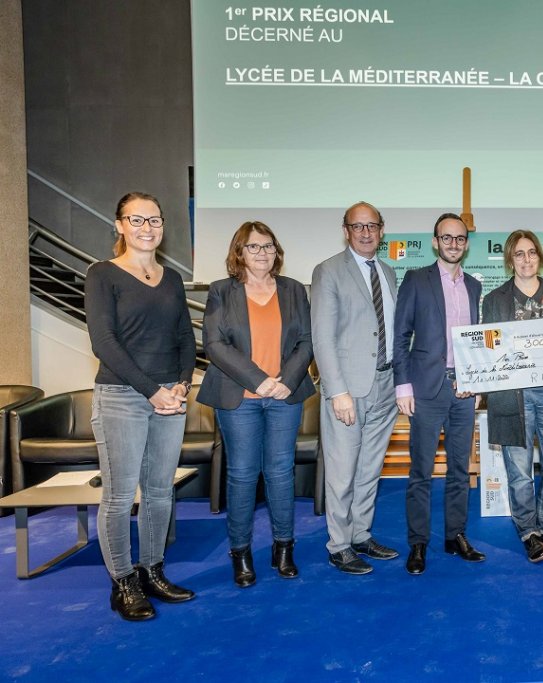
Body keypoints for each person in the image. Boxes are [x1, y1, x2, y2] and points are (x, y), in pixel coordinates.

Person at [85, 192, 196, 621]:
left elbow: (186, 336)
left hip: (171, 397)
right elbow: (104, 343)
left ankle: (152, 571)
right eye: (137, 219)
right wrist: (153, 390)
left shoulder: (170, 279)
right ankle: (123, 582)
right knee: (118, 497)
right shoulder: (102, 274)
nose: (147, 227)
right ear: (119, 225)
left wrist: (182, 385)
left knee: (159, 491)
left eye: (154, 220)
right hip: (122, 397)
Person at [198, 221, 315, 587]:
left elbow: (308, 341)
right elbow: (215, 344)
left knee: (281, 473)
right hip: (239, 396)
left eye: (268, 246)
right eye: (253, 247)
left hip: (285, 396)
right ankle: (241, 552)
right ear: (239, 253)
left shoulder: (294, 290)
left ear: (276, 252)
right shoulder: (221, 291)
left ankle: (284, 548)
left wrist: (286, 381)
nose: (262, 253)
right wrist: (259, 380)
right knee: (243, 474)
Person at [311, 202, 401, 575]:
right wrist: (337, 391)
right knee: (343, 469)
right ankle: (339, 544)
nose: (366, 233)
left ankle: (361, 535)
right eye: (358, 226)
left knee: (369, 468)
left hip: (385, 383)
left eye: (372, 226)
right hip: (348, 388)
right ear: (346, 230)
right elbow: (323, 337)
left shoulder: (389, 272)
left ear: (381, 230)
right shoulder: (328, 271)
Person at [394, 213, 485, 574]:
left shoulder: (475, 285)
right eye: (446, 238)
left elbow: (479, 341)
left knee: (460, 470)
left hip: (463, 390)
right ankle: (418, 544)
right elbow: (401, 336)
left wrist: (478, 382)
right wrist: (403, 385)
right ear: (435, 242)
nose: (453, 244)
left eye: (459, 238)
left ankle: (455, 536)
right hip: (426, 390)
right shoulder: (416, 279)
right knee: (420, 471)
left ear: (466, 243)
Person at [482, 230, 543, 563]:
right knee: (520, 471)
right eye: (519, 254)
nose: (526, 260)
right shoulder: (494, 299)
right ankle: (528, 531)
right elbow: (488, 348)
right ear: (510, 259)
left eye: (532, 253)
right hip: (514, 397)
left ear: (540, 257)